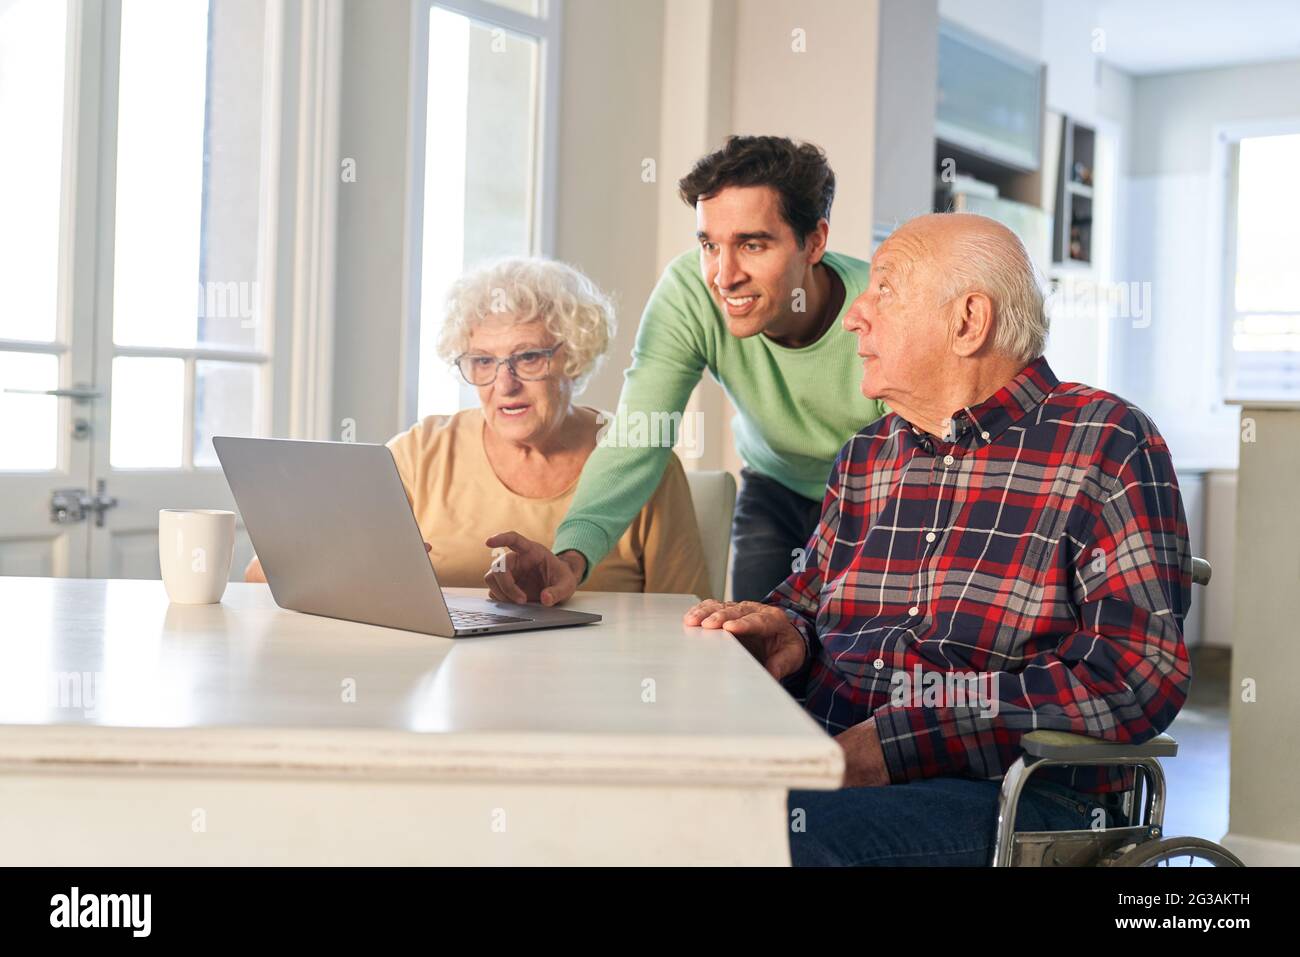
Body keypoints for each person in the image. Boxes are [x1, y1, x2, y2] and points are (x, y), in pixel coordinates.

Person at [684, 212, 1192, 866]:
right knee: (666, 809)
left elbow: (1136, 674)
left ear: (967, 321)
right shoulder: (866, 456)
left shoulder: (1106, 441)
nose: (852, 315)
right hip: (834, 765)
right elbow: (805, 602)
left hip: (1014, 795)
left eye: (885, 290)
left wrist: (908, 737)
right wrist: (787, 630)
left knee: (755, 841)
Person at [481, 135, 889, 606]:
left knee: (855, 652)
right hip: (775, 485)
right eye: (709, 244)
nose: (723, 275)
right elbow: (639, 434)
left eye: (752, 245)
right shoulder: (689, 293)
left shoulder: (878, 307)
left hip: (875, 491)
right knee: (758, 650)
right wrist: (570, 558)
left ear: (814, 242)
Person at [247, 257, 712, 599]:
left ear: (573, 356)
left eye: (528, 357)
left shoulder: (642, 467)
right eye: (483, 362)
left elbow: (690, 622)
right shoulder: (422, 452)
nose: (503, 384)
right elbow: (263, 574)